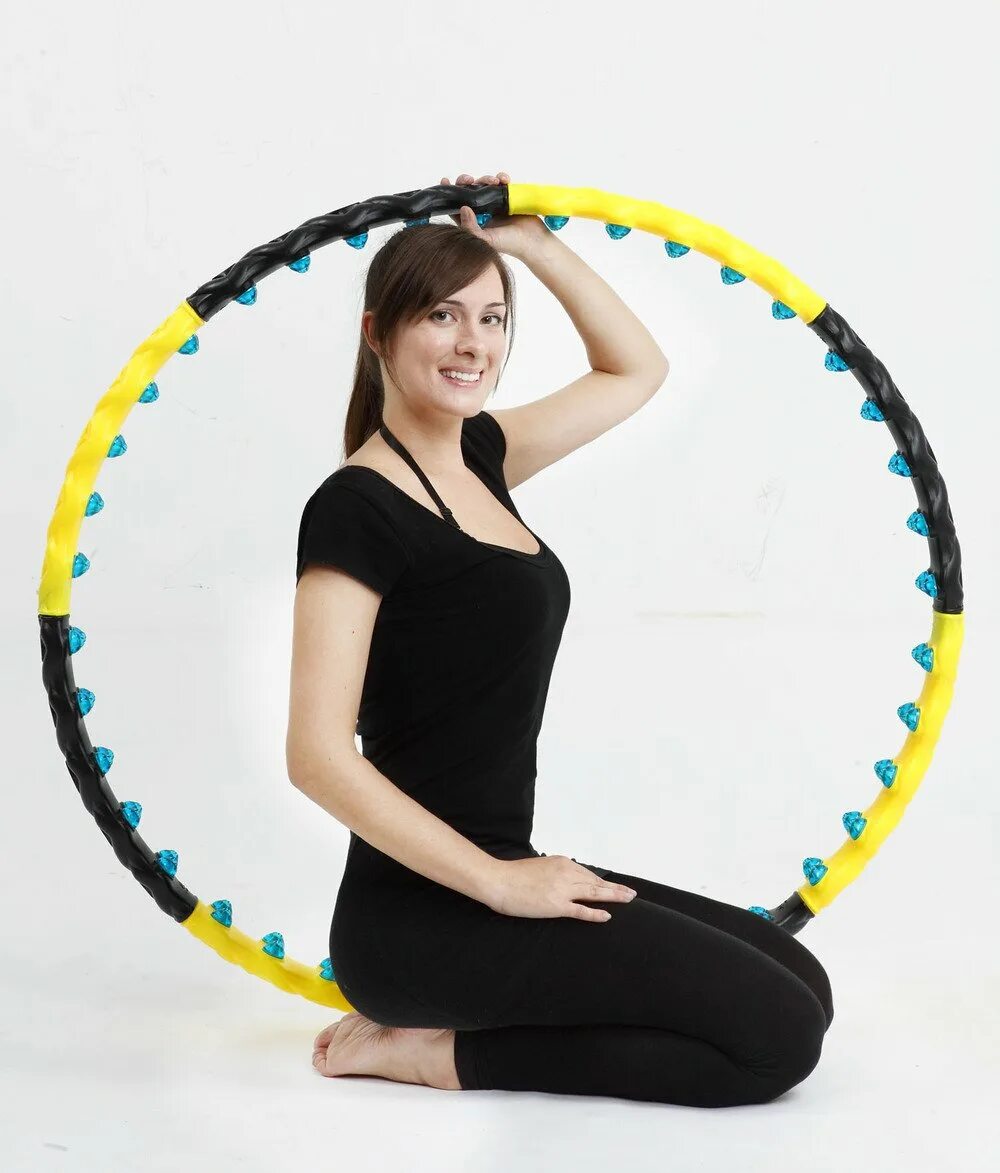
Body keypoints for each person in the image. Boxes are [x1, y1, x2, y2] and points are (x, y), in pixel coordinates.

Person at [287, 172, 834, 1106]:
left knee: (801, 981)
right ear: (377, 331)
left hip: (501, 868)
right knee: (776, 1039)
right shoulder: (355, 509)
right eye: (442, 316)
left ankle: (460, 1024)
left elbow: (634, 370)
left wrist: (531, 245)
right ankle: (432, 1054)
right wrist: (501, 886)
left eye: (493, 319)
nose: (473, 343)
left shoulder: (482, 457)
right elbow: (316, 757)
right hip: (418, 922)